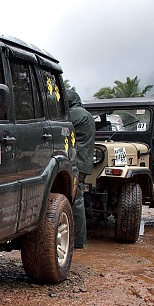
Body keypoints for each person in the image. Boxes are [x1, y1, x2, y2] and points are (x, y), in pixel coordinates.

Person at [67, 89, 95, 249]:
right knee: (77, 199)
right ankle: (78, 238)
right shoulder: (85, 114)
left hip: (76, 162)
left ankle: (78, 240)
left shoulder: (75, 114)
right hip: (83, 162)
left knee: (76, 201)